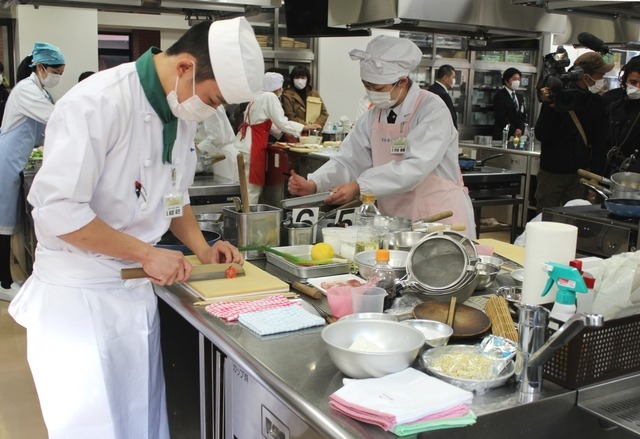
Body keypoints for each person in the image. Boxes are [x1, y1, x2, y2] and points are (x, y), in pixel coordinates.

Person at [8, 17, 261, 439]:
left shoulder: (179, 112)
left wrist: (201, 248)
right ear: (185, 67)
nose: (212, 111)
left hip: (134, 296)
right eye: (213, 100)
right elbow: (57, 211)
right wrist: (147, 253)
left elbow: (172, 196)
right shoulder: (97, 102)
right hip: (81, 303)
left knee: (141, 422)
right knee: (92, 428)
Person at [287, 35, 476, 237]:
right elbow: (348, 159)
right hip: (396, 221)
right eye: (366, 86)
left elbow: (415, 167)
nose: (371, 93)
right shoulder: (373, 116)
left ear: (402, 82)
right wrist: (315, 183)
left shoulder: (432, 109)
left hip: (439, 217)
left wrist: (360, 186)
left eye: (377, 88)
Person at [0, 42, 65, 301]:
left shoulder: (39, 90)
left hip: (17, 158)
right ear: (40, 67)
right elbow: (56, 117)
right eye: (56, 71)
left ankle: (4, 277)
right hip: (7, 159)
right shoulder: (27, 89)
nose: (58, 76)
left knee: (7, 221)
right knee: (3, 223)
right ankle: (3, 282)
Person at [534, 51, 611, 213]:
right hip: (552, 172)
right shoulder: (557, 95)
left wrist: (595, 177)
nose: (601, 80)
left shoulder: (596, 102)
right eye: (599, 75)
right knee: (545, 220)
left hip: (580, 174)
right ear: (586, 76)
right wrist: (550, 104)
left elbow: (600, 142)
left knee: (575, 222)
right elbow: (541, 134)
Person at [236, 71, 316, 203]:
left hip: (244, 143)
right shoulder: (269, 97)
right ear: (278, 88)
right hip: (253, 145)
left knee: (246, 188)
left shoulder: (257, 96)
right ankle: (248, 220)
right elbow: (281, 122)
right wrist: (303, 128)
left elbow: (268, 124)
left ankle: (246, 217)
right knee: (252, 190)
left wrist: (284, 133)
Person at [604, 57, 640, 176]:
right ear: (625, 81)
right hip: (607, 170)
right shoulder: (611, 101)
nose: (638, 87)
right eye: (634, 82)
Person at [196, 105, 241, 182]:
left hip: (225, 156)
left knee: (228, 191)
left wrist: (197, 147)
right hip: (218, 155)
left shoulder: (210, 105)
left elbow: (217, 137)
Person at [281, 64, 327, 131]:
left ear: (307, 79)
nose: (300, 80)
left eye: (303, 78)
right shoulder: (287, 95)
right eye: (297, 77)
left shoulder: (314, 93)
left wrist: (316, 126)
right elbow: (290, 116)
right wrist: (307, 126)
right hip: (295, 133)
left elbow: (324, 113)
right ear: (292, 79)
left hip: (314, 133)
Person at [492, 67, 527, 140]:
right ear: (506, 80)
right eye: (514, 79)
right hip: (503, 135)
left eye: (518, 79)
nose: (517, 81)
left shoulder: (520, 97)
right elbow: (501, 117)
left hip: (517, 136)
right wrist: (513, 130)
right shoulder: (499, 96)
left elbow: (523, 115)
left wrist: (520, 129)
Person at [428, 64, 457, 129]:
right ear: (445, 78)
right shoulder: (443, 95)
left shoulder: (431, 89)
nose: (454, 80)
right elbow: (451, 118)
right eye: (453, 77)